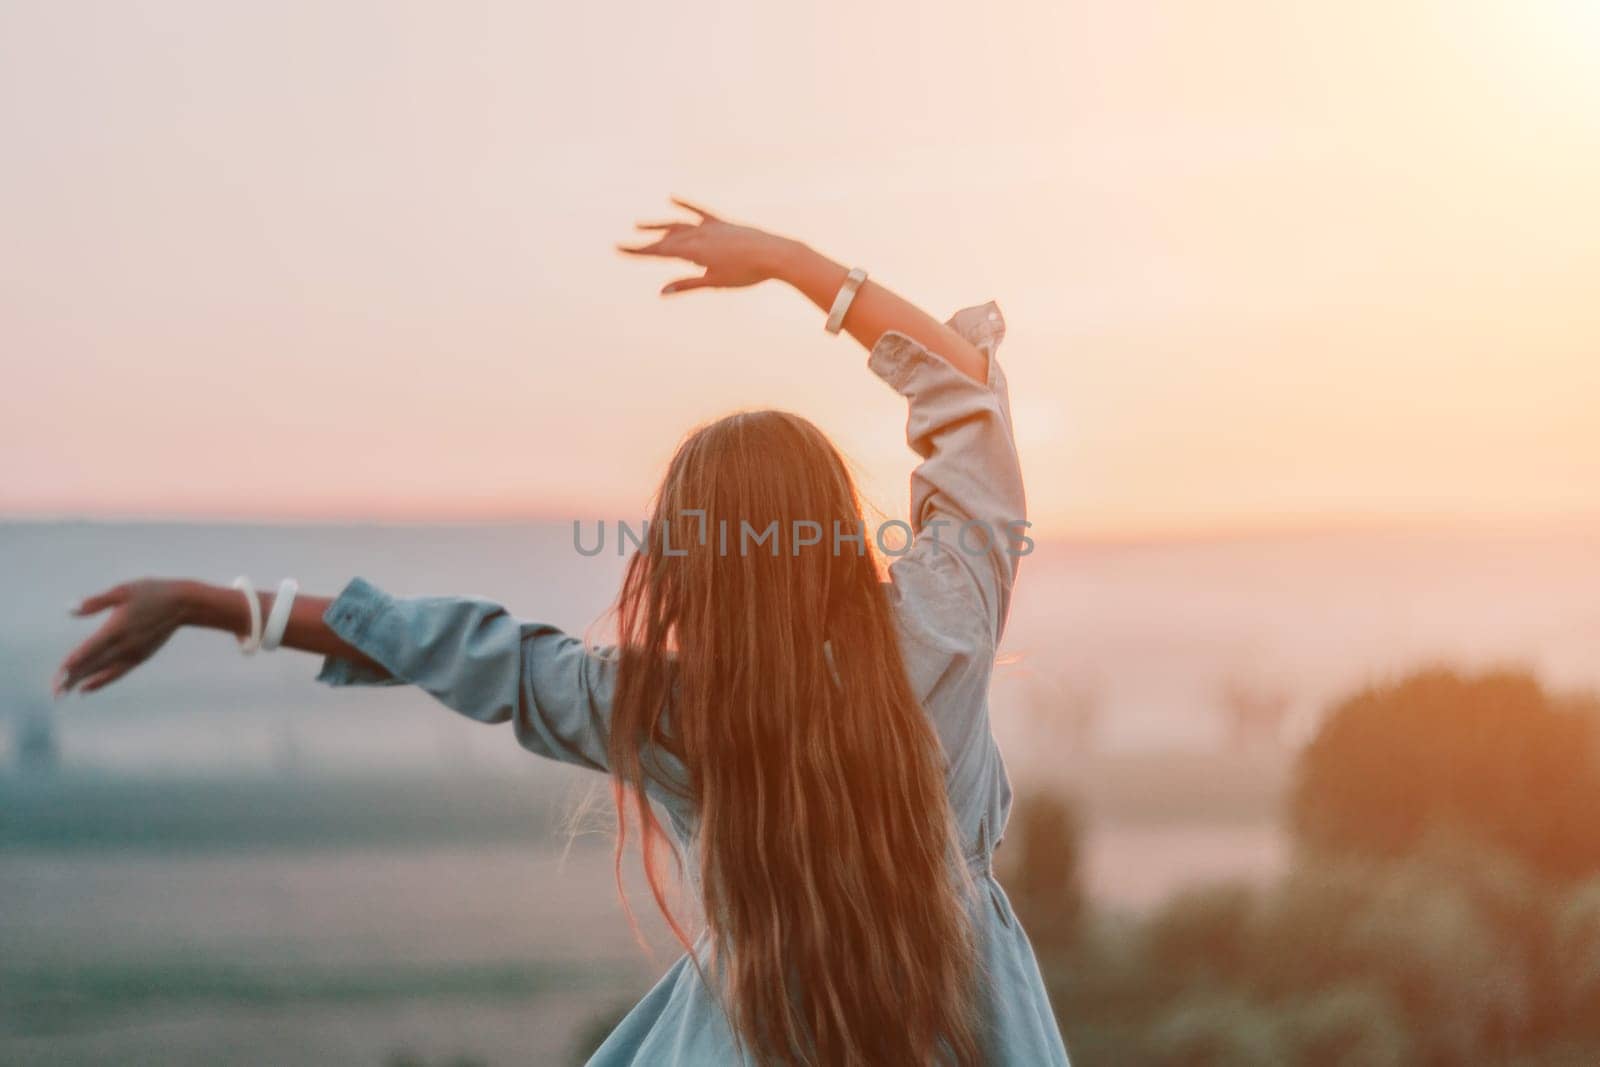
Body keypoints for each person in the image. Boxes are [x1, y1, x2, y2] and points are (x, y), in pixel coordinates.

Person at [55, 201, 1071, 1066]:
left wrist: (209, 601)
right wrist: (787, 264)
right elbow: (964, 399)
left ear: (685, 569)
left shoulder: (662, 708)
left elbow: (449, 646)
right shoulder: (939, 628)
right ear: (836, 531)